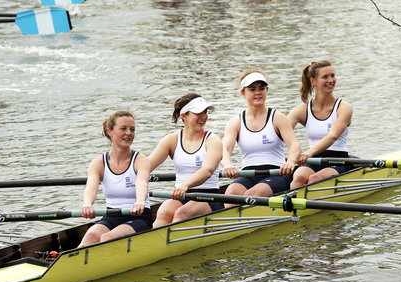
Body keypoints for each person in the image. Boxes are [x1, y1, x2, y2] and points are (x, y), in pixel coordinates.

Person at [221, 70, 301, 201]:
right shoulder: (235, 122)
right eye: (252, 89)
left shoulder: (278, 118)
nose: (258, 92)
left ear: (266, 90)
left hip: (277, 173)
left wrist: (291, 162)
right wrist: (227, 165)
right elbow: (224, 150)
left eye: (262, 88)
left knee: (252, 195)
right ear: (243, 93)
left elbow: (295, 146)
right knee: (231, 193)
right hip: (247, 173)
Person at [148, 93, 223, 227]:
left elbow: (207, 170)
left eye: (205, 112)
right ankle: (154, 243)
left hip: (209, 197)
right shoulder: (171, 140)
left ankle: (171, 245)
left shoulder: (213, 140)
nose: (204, 117)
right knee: (163, 212)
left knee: (182, 213)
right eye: (198, 113)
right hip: (181, 195)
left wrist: (185, 185)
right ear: (184, 115)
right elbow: (146, 166)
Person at [79, 111, 153, 247]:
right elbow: (91, 187)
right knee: (90, 236)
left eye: (132, 129)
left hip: (139, 217)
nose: (129, 133)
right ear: (110, 132)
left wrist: (140, 201)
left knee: (107, 238)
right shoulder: (98, 162)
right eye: (123, 129)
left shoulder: (141, 160)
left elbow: (142, 182)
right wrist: (87, 204)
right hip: (111, 215)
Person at [288, 60, 353, 188]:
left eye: (333, 76)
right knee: (299, 177)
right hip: (313, 161)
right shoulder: (301, 110)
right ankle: (293, 205)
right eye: (325, 77)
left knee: (314, 178)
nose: (331, 80)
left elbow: (333, 136)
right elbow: (281, 133)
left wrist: (308, 153)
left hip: (339, 161)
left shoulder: (344, 108)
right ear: (313, 81)